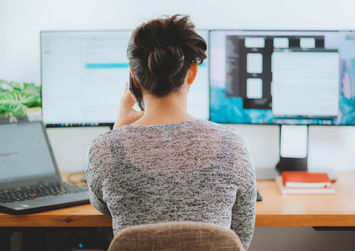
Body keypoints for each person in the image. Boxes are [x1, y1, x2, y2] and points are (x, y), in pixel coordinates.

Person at [85, 15, 256, 249]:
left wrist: (117, 134)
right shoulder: (234, 146)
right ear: (192, 72)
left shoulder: (103, 150)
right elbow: (239, 241)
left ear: (134, 77)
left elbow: (102, 205)